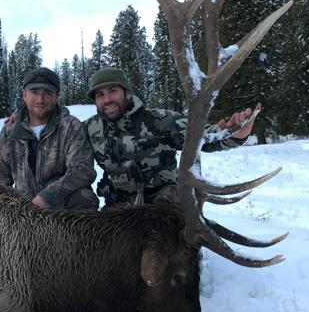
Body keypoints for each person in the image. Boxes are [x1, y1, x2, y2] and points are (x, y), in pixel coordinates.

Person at [84, 67, 259, 207]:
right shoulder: (89, 129)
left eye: (113, 91)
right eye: (100, 95)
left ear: (128, 93)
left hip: (164, 204)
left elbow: (202, 138)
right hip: (118, 206)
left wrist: (235, 134)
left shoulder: (160, 120)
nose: (107, 100)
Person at [0, 67, 99, 210]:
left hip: (61, 205)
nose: (40, 100)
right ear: (24, 95)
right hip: (23, 208)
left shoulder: (70, 126)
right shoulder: (9, 131)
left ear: (56, 96)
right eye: (34, 92)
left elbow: (82, 170)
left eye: (48, 93)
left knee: (84, 198)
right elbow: (1, 180)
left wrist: (47, 197)